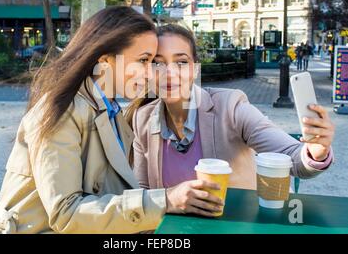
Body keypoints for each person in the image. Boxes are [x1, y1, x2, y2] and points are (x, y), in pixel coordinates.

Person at [0, 7, 221, 234]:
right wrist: (166, 200)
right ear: (106, 60)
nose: (151, 73)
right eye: (143, 60)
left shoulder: (111, 111)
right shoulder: (60, 110)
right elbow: (65, 214)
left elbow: (114, 194)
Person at [129, 24, 334, 197]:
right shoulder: (143, 119)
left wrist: (316, 152)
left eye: (181, 62)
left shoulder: (230, 107)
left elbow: (294, 161)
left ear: (196, 69)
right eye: (157, 63)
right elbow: (144, 194)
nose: (169, 73)